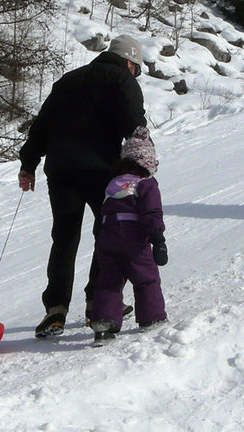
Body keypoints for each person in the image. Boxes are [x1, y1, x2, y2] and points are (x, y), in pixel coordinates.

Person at [18, 35, 147, 338]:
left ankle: (56, 309)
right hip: (101, 169)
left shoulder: (68, 80)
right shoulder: (122, 80)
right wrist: (144, 160)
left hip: (61, 170)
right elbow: (134, 125)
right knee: (107, 234)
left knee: (64, 236)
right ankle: (97, 303)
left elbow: (41, 126)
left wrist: (28, 164)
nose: (135, 74)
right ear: (129, 62)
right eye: (137, 69)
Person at [90, 126, 168, 346]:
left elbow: (104, 211)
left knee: (109, 281)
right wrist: (158, 240)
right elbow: (151, 212)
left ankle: (104, 326)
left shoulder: (112, 184)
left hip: (107, 237)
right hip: (133, 239)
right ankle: (151, 318)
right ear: (147, 161)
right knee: (146, 277)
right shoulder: (145, 183)